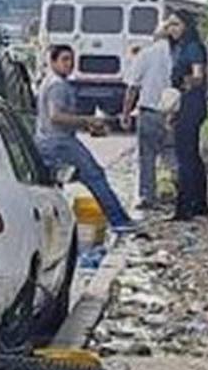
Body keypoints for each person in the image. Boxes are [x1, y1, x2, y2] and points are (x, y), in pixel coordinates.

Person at [36, 44, 135, 232]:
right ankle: (120, 221)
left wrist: (87, 125)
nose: (69, 64)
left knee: (54, 183)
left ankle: (58, 224)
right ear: (52, 61)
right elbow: (55, 116)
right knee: (95, 176)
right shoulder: (57, 85)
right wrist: (88, 119)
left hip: (49, 140)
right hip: (59, 142)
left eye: (71, 60)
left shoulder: (52, 82)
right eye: (64, 60)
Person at [122, 18, 177, 210]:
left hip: (149, 113)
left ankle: (148, 197)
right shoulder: (179, 55)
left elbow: (133, 87)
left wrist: (126, 113)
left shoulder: (146, 54)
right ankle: (182, 193)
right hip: (174, 114)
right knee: (172, 155)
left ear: (156, 35)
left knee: (147, 157)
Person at [171, 11, 208, 222]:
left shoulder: (192, 48)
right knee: (192, 156)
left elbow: (198, 76)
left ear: (186, 26)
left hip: (190, 105)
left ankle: (186, 206)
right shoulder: (180, 47)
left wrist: (182, 86)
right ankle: (198, 204)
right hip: (187, 105)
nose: (171, 29)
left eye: (176, 24)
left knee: (185, 157)